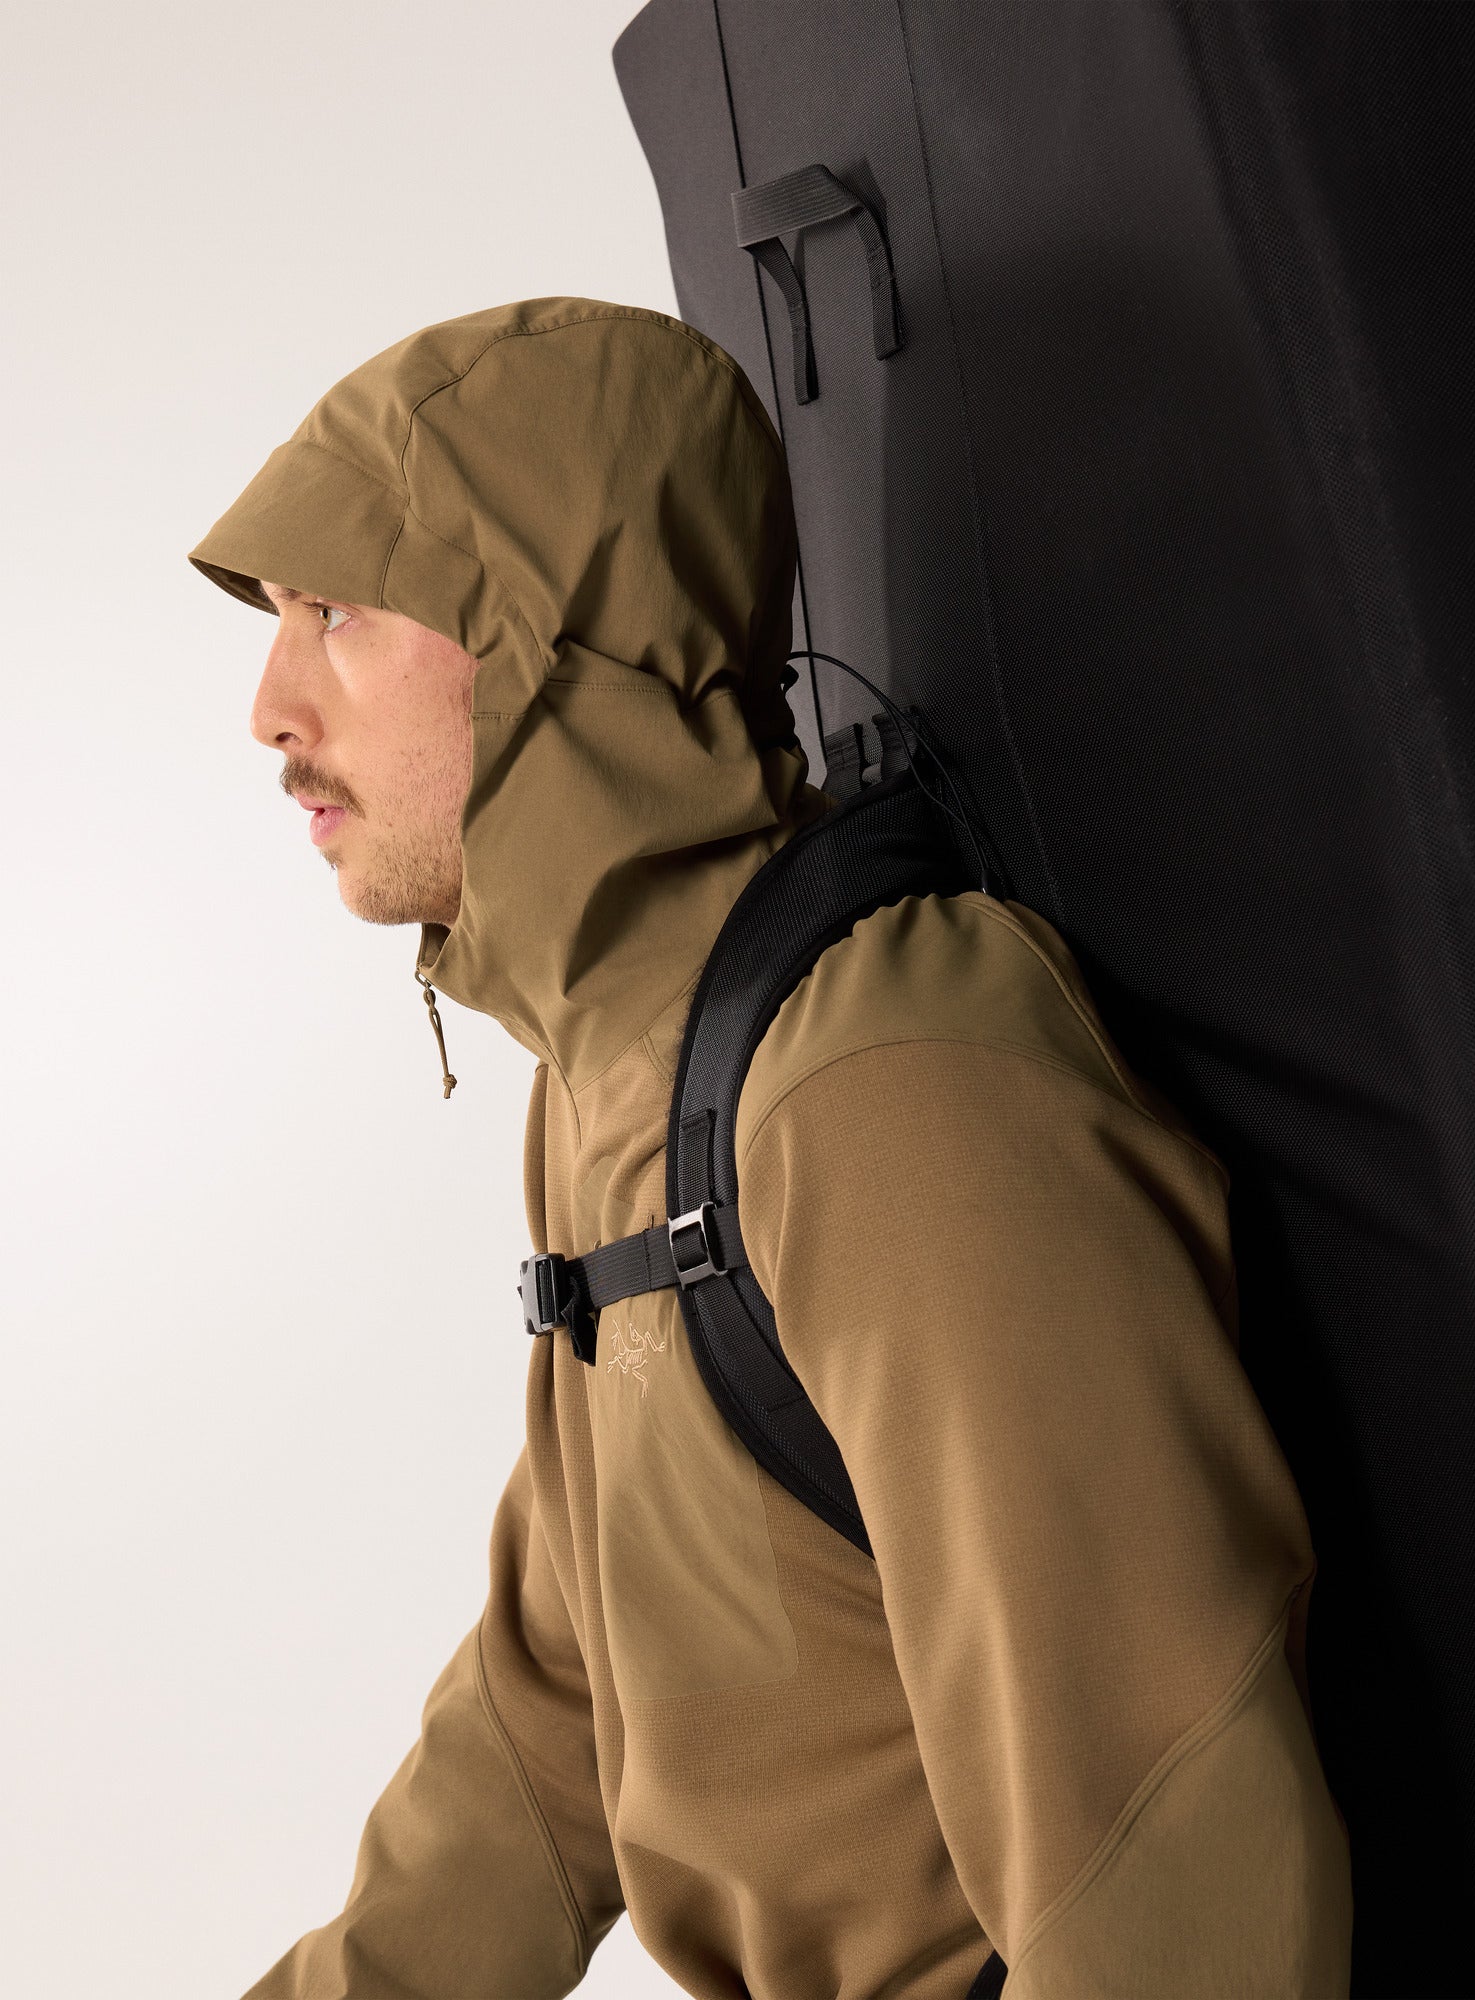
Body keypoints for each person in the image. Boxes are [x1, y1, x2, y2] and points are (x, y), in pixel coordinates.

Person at [190, 297, 1353, 1999]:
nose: (271, 705)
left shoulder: (879, 1089)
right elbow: (549, 1727)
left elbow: (1166, 1856)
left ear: (557, 640)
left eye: (339, 611)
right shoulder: (616, 1077)